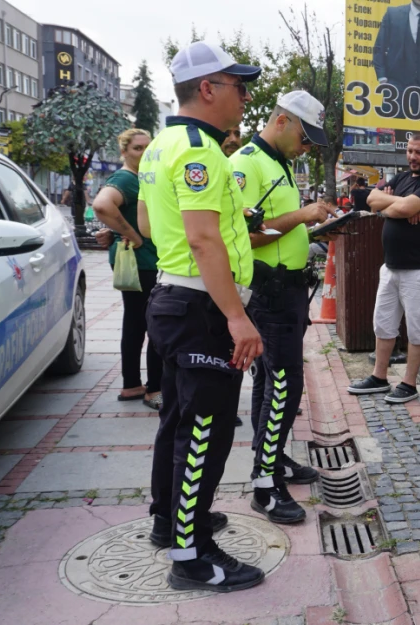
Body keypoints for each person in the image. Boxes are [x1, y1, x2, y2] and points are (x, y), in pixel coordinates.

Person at [136, 41, 265, 592]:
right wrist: (236, 316)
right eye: (239, 86)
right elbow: (204, 237)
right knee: (205, 431)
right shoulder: (200, 150)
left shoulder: (158, 145)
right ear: (208, 89)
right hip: (201, 307)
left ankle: (170, 520)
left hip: (172, 297)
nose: (246, 96)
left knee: (178, 420)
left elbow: (145, 222)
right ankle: (192, 558)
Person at [231, 90, 332, 526]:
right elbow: (246, 234)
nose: (306, 146)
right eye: (305, 137)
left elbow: (274, 225)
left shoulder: (280, 164)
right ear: (282, 121)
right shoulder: (247, 163)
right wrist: (303, 216)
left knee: (272, 384)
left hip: (287, 288)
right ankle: (264, 484)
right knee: (283, 387)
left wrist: (317, 227)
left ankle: (272, 460)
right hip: (268, 291)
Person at [347, 132, 420, 404]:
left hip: (419, 268)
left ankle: (409, 383)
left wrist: (396, 205)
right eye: (410, 151)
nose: (413, 157)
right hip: (390, 266)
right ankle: (379, 377)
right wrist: (397, 206)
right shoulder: (403, 178)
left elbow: (399, 205)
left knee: (416, 328)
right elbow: (371, 200)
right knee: (383, 324)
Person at [92, 128, 163, 411]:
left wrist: (115, 231)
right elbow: (101, 204)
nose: (144, 153)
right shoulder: (126, 178)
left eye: (148, 147)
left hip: (136, 263)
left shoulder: (140, 177)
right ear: (124, 151)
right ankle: (154, 389)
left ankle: (132, 384)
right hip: (143, 263)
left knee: (135, 324)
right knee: (155, 325)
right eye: (137, 148)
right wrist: (132, 235)